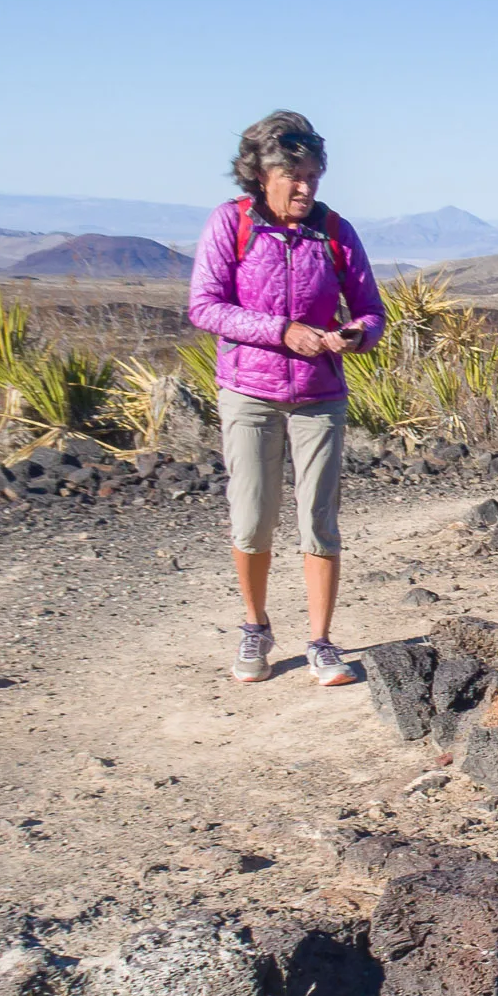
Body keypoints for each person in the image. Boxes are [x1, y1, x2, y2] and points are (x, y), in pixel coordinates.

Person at [185, 111, 385, 686]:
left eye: (313, 176)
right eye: (292, 175)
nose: (305, 187)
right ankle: (255, 627)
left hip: (321, 393)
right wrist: (281, 331)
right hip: (250, 391)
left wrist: (356, 335)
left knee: (319, 520)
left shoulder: (335, 231)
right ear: (260, 174)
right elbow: (204, 306)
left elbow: (371, 309)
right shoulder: (233, 224)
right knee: (252, 518)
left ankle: (321, 642)